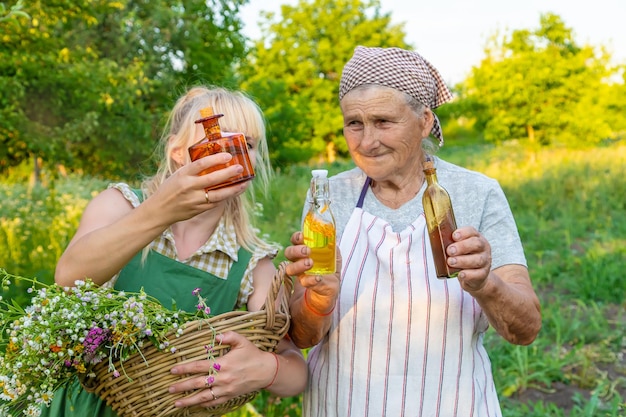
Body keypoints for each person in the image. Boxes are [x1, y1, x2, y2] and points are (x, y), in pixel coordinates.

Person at [284, 46, 542, 416]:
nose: (367, 141)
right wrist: (317, 301)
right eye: (354, 123)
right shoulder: (329, 196)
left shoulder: (476, 192)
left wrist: (486, 284)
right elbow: (304, 336)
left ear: (423, 121)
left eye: (384, 121)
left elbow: (526, 329)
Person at [44, 86, 308, 416]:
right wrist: (162, 211)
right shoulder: (122, 206)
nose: (231, 152)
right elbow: (68, 278)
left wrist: (266, 369)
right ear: (178, 153)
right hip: (82, 407)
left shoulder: (250, 261)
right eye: (216, 140)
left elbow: (295, 371)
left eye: (248, 144)